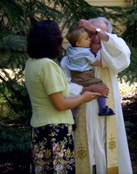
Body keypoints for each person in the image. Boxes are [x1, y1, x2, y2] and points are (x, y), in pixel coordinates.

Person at [25, 20, 100, 173]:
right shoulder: (48, 66)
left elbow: (52, 99)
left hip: (39, 128)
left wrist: (80, 94)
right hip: (54, 130)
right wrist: (83, 98)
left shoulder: (31, 63)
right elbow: (59, 104)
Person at [60, 17, 133, 174]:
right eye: (90, 33)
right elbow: (64, 88)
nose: (94, 37)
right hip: (81, 115)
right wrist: (87, 88)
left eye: (98, 33)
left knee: (108, 156)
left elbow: (124, 54)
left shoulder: (110, 59)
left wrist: (97, 31)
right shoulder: (69, 60)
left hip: (106, 119)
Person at [65, 26, 115, 116]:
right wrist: (104, 63)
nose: (90, 40)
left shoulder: (70, 49)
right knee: (101, 86)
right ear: (79, 43)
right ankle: (103, 108)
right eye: (87, 38)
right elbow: (94, 62)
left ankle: (72, 116)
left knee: (75, 95)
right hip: (85, 75)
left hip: (74, 76)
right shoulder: (85, 52)